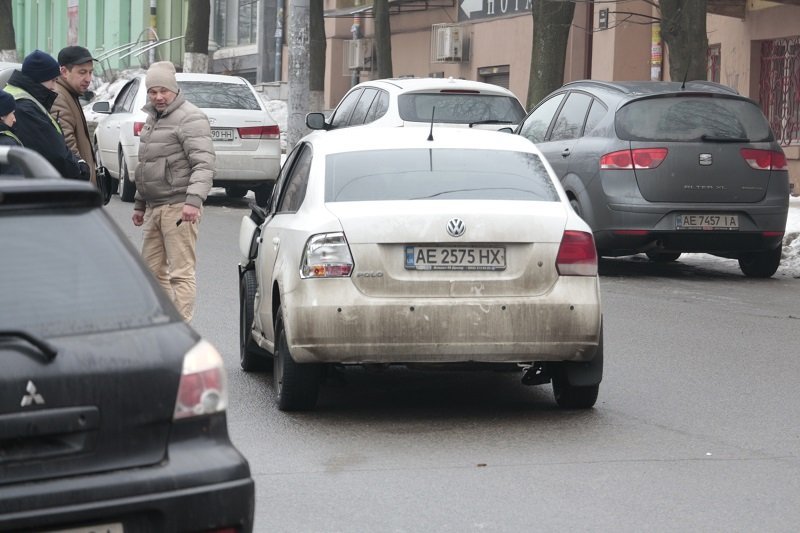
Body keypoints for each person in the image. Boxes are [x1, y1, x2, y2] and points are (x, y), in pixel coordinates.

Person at [132, 61, 215, 322]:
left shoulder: (190, 117)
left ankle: (183, 331)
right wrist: (139, 204)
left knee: (181, 273)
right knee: (151, 272)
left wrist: (193, 200)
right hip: (155, 206)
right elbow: (146, 163)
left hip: (179, 206)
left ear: (174, 89)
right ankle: (168, 325)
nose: (158, 97)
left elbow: (204, 164)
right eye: (152, 91)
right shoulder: (153, 118)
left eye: (163, 91)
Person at [4, 49, 88, 180]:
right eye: (53, 80)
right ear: (39, 79)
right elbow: (54, 153)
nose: (55, 87)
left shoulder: (20, 98)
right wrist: (79, 169)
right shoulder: (25, 108)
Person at [52, 45, 97, 185]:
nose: (88, 79)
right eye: (82, 72)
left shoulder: (70, 93)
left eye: (90, 72)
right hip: (77, 185)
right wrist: (82, 177)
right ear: (64, 72)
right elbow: (67, 146)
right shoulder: (59, 97)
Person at [0, 89, 23, 174]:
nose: (14, 119)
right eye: (12, 113)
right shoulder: (6, 144)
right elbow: (15, 178)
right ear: (2, 116)